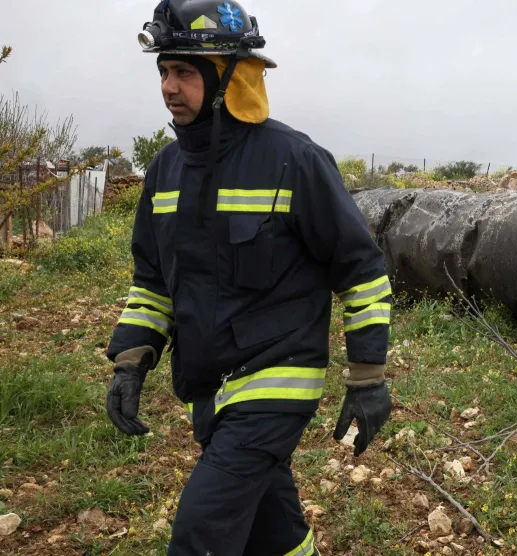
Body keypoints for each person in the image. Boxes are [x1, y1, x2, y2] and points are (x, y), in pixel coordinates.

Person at [104, 1, 393, 554]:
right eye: (163, 70)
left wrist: (368, 377)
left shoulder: (294, 160)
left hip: (275, 386)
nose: (168, 86)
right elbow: (152, 282)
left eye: (185, 72)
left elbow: (362, 270)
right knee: (273, 528)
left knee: (200, 535)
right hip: (207, 390)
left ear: (228, 78)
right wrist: (131, 361)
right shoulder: (164, 171)